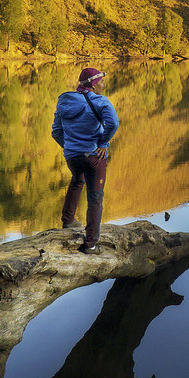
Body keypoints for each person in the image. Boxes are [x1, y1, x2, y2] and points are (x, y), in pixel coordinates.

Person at [52, 67, 120, 254]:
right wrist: (103, 142)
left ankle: (68, 221)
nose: (103, 85)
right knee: (95, 198)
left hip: (72, 156)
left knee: (77, 180)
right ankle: (90, 244)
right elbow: (113, 123)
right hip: (94, 156)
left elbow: (56, 132)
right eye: (101, 83)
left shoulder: (64, 101)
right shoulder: (100, 101)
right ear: (93, 84)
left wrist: (70, 147)